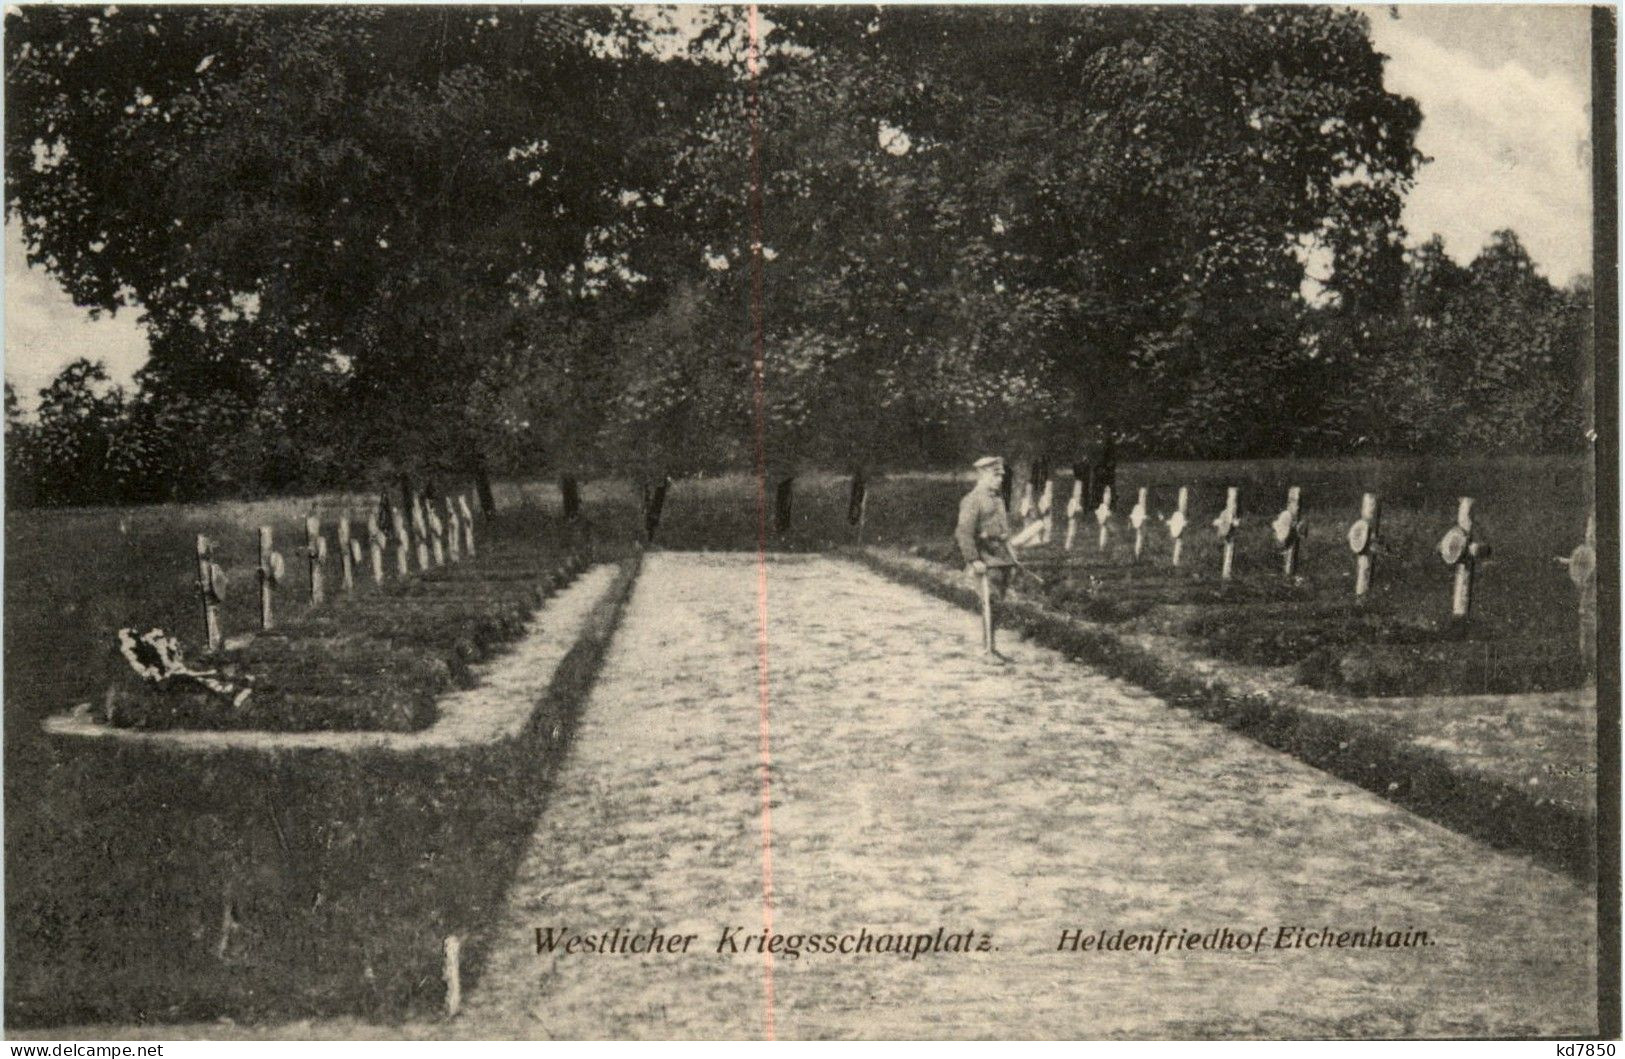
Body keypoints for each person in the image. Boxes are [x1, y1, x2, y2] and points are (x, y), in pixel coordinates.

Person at [955, 455, 1016, 660]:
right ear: (982, 474)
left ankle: (992, 646)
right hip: (986, 561)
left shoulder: (997, 499)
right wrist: (974, 560)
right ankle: (987, 651)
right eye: (994, 474)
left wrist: (1011, 553)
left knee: (997, 606)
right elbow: (964, 533)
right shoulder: (973, 499)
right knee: (989, 603)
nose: (999, 479)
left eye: (1000, 475)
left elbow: (1001, 530)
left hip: (1001, 560)